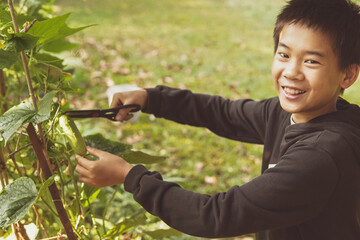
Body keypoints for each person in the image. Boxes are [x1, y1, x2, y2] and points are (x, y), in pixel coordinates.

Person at [74, 0, 360, 239]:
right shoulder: (285, 113)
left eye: (311, 61)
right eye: (284, 55)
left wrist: (130, 177)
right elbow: (222, 113)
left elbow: (217, 216)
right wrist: (151, 98)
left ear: (347, 74)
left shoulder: (322, 154)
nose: (291, 71)